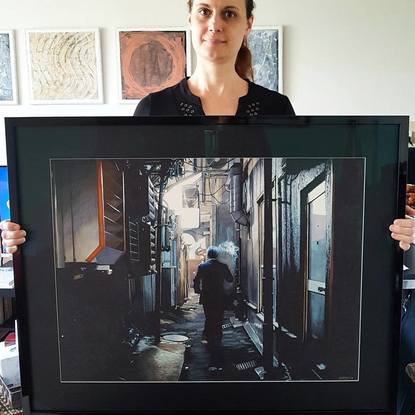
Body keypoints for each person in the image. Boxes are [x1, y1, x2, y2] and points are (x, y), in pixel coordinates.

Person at [1, 0, 413, 250]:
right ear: (191, 18)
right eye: (205, 11)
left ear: (247, 23)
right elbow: (111, 202)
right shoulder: (152, 108)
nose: (215, 24)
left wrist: (391, 224)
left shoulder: (275, 108)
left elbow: (317, 186)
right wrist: (29, 234)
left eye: (229, 13)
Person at [194, 246, 234, 346]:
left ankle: (208, 336)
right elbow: (230, 279)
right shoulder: (223, 266)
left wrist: (198, 290)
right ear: (217, 255)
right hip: (219, 295)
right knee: (219, 316)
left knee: (209, 316)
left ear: (208, 255)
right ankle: (218, 336)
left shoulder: (202, 266)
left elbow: (197, 280)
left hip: (207, 295)